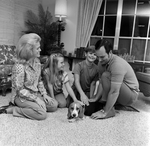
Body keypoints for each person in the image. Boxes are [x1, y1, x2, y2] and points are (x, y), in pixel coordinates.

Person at [0, 33, 58, 120]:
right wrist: (37, 100)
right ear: (29, 50)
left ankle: (31, 108)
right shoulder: (19, 66)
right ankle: (14, 109)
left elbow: (39, 81)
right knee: (42, 114)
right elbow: (20, 91)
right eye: (38, 48)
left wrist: (44, 94)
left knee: (54, 105)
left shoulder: (37, 62)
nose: (40, 50)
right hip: (20, 97)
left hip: (34, 94)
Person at [91, 39, 139, 119]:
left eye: (102, 57)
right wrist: (95, 98)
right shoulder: (101, 63)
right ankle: (109, 104)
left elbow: (114, 91)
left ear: (110, 53)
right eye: (97, 57)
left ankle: (110, 110)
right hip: (120, 90)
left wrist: (105, 112)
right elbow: (102, 83)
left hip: (131, 95)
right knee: (104, 76)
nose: (99, 60)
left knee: (106, 75)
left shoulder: (117, 64)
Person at [67, 46, 103, 116]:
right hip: (77, 91)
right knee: (72, 106)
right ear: (85, 54)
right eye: (90, 53)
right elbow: (77, 81)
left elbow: (93, 84)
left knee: (89, 110)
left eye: (95, 54)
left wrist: (91, 97)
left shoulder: (96, 68)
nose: (92, 56)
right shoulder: (78, 65)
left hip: (88, 91)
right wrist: (82, 94)